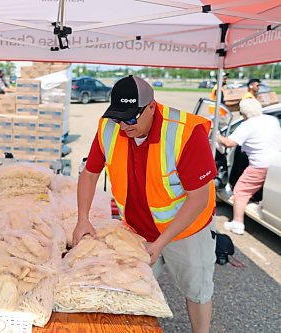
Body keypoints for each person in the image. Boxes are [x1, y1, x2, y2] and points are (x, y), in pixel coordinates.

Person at [73, 75, 217, 333]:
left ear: (151, 107)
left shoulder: (186, 133)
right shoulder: (109, 127)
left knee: (197, 291)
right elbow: (90, 173)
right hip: (136, 230)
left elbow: (199, 198)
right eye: (118, 117)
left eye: (130, 118)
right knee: (130, 289)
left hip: (185, 231)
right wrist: (83, 218)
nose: (123, 125)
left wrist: (161, 243)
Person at [217, 98, 281, 235]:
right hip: (276, 163)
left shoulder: (248, 125)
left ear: (244, 113)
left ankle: (237, 224)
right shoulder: (272, 120)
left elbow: (229, 143)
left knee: (241, 192)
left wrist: (217, 136)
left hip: (259, 164)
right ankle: (261, 203)